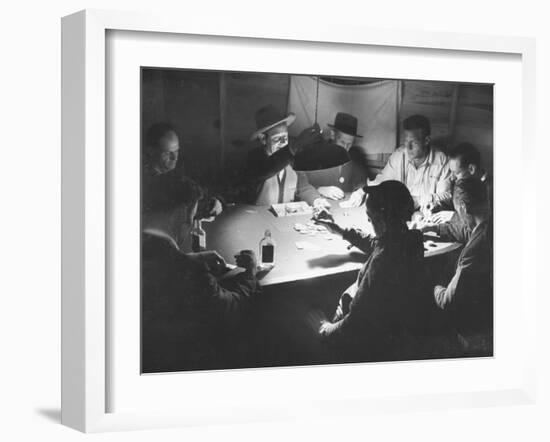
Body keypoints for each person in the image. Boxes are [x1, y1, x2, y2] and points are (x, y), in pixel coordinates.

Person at [141, 175, 261, 372]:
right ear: (182, 213)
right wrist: (250, 273)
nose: (190, 223)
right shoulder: (188, 270)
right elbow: (230, 307)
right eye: (192, 215)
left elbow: (161, 262)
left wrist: (191, 258)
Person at [314, 181, 425, 360]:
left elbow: (355, 322)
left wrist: (326, 330)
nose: (368, 220)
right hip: (394, 327)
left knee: (303, 312)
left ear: (381, 219)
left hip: (366, 339)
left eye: (369, 216)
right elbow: (378, 243)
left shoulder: (382, 261)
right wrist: (342, 232)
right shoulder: (411, 240)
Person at [431, 178, 493, 344]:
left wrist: (431, 284)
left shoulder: (474, 251)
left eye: (458, 212)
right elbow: (467, 232)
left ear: (464, 208)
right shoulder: (491, 224)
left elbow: (447, 302)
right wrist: (433, 228)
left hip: (476, 322)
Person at [349, 115, 452, 211]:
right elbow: (381, 181)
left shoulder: (442, 161)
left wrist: (419, 200)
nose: (408, 147)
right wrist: (363, 191)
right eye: (406, 141)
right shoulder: (399, 156)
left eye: (414, 142)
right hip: (400, 213)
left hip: (426, 214)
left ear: (426, 140)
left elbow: (447, 196)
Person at [242, 105, 329, 207]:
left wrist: (316, 200)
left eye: (285, 137)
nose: (283, 143)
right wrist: (295, 146)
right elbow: (268, 168)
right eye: (277, 139)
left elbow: (303, 187)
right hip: (259, 219)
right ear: (263, 139)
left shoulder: (294, 158)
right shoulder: (254, 158)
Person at [142, 122, 223, 218]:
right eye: (168, 153)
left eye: (177, 151)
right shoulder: (145, 182)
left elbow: (204, 192)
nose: (175, 157)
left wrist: (217, 200)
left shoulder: (173, 169)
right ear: (151, 151)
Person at [303, 112, 368, 201]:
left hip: (344, 208)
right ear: (333, 135)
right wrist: (320, 189)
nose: (345, 148)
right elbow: (301, 184)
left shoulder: (355, 155)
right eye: (342, 142)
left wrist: (360, 191)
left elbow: (361, 181)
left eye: (349, 144)